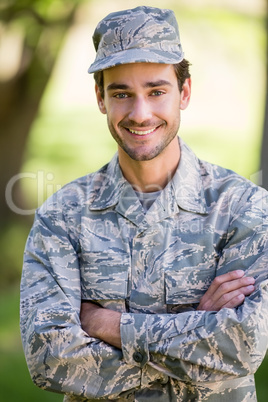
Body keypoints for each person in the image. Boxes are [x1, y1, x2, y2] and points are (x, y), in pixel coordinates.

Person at [20, 6, 268, 402]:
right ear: (100, 98)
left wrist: (104, 323)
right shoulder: (62, 217)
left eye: (156, 91)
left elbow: (243, 346)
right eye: (121, 93)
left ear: (184, 93)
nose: (140, 114)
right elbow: (48, 357)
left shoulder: (245, 209)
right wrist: (197, 333)